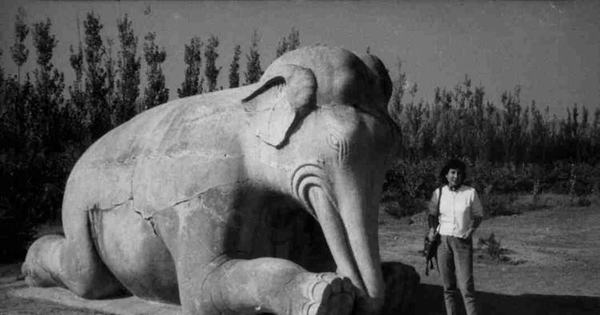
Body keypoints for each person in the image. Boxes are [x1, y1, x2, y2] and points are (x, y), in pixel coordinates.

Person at [427, 159, 483, 315]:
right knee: (448, 287)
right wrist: (432, 229)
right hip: (442, 243)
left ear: (463, 175)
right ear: (446, 174)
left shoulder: (470, 193)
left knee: (466, 286)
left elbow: (478, 215)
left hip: (462, 241)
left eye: (459, 173)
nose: (456, 176)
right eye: (452, 172)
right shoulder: (438, 193)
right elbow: (432, 214)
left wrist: (471, 230)